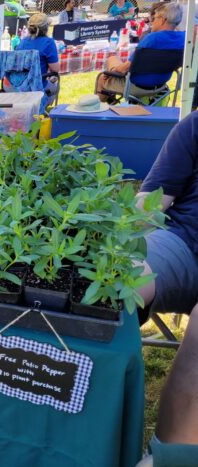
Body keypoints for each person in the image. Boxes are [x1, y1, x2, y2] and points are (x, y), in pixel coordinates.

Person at [133, 111, 198, 467]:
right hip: (185, 240)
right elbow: (151, 202)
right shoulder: (195, 125)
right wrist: (112, 241)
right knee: (117, 281)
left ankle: (166, 457)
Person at [96, 2, 184, 103]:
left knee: (104, 75)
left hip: (135, 86)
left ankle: (101, 107)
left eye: (154, 18)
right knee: (113, 61)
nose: (151, 22)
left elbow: (125, 68)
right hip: (161, 84)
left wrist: (112, 71)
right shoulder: (184, 38)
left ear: (163, 20)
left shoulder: (152, 39)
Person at [16, 13, 60, 88]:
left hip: (16, 85)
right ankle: (44, 99)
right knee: (54, 84)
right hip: (36, 87)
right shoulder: (48, 43)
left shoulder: (22, 42)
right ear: (46, 28)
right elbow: (55, 69)